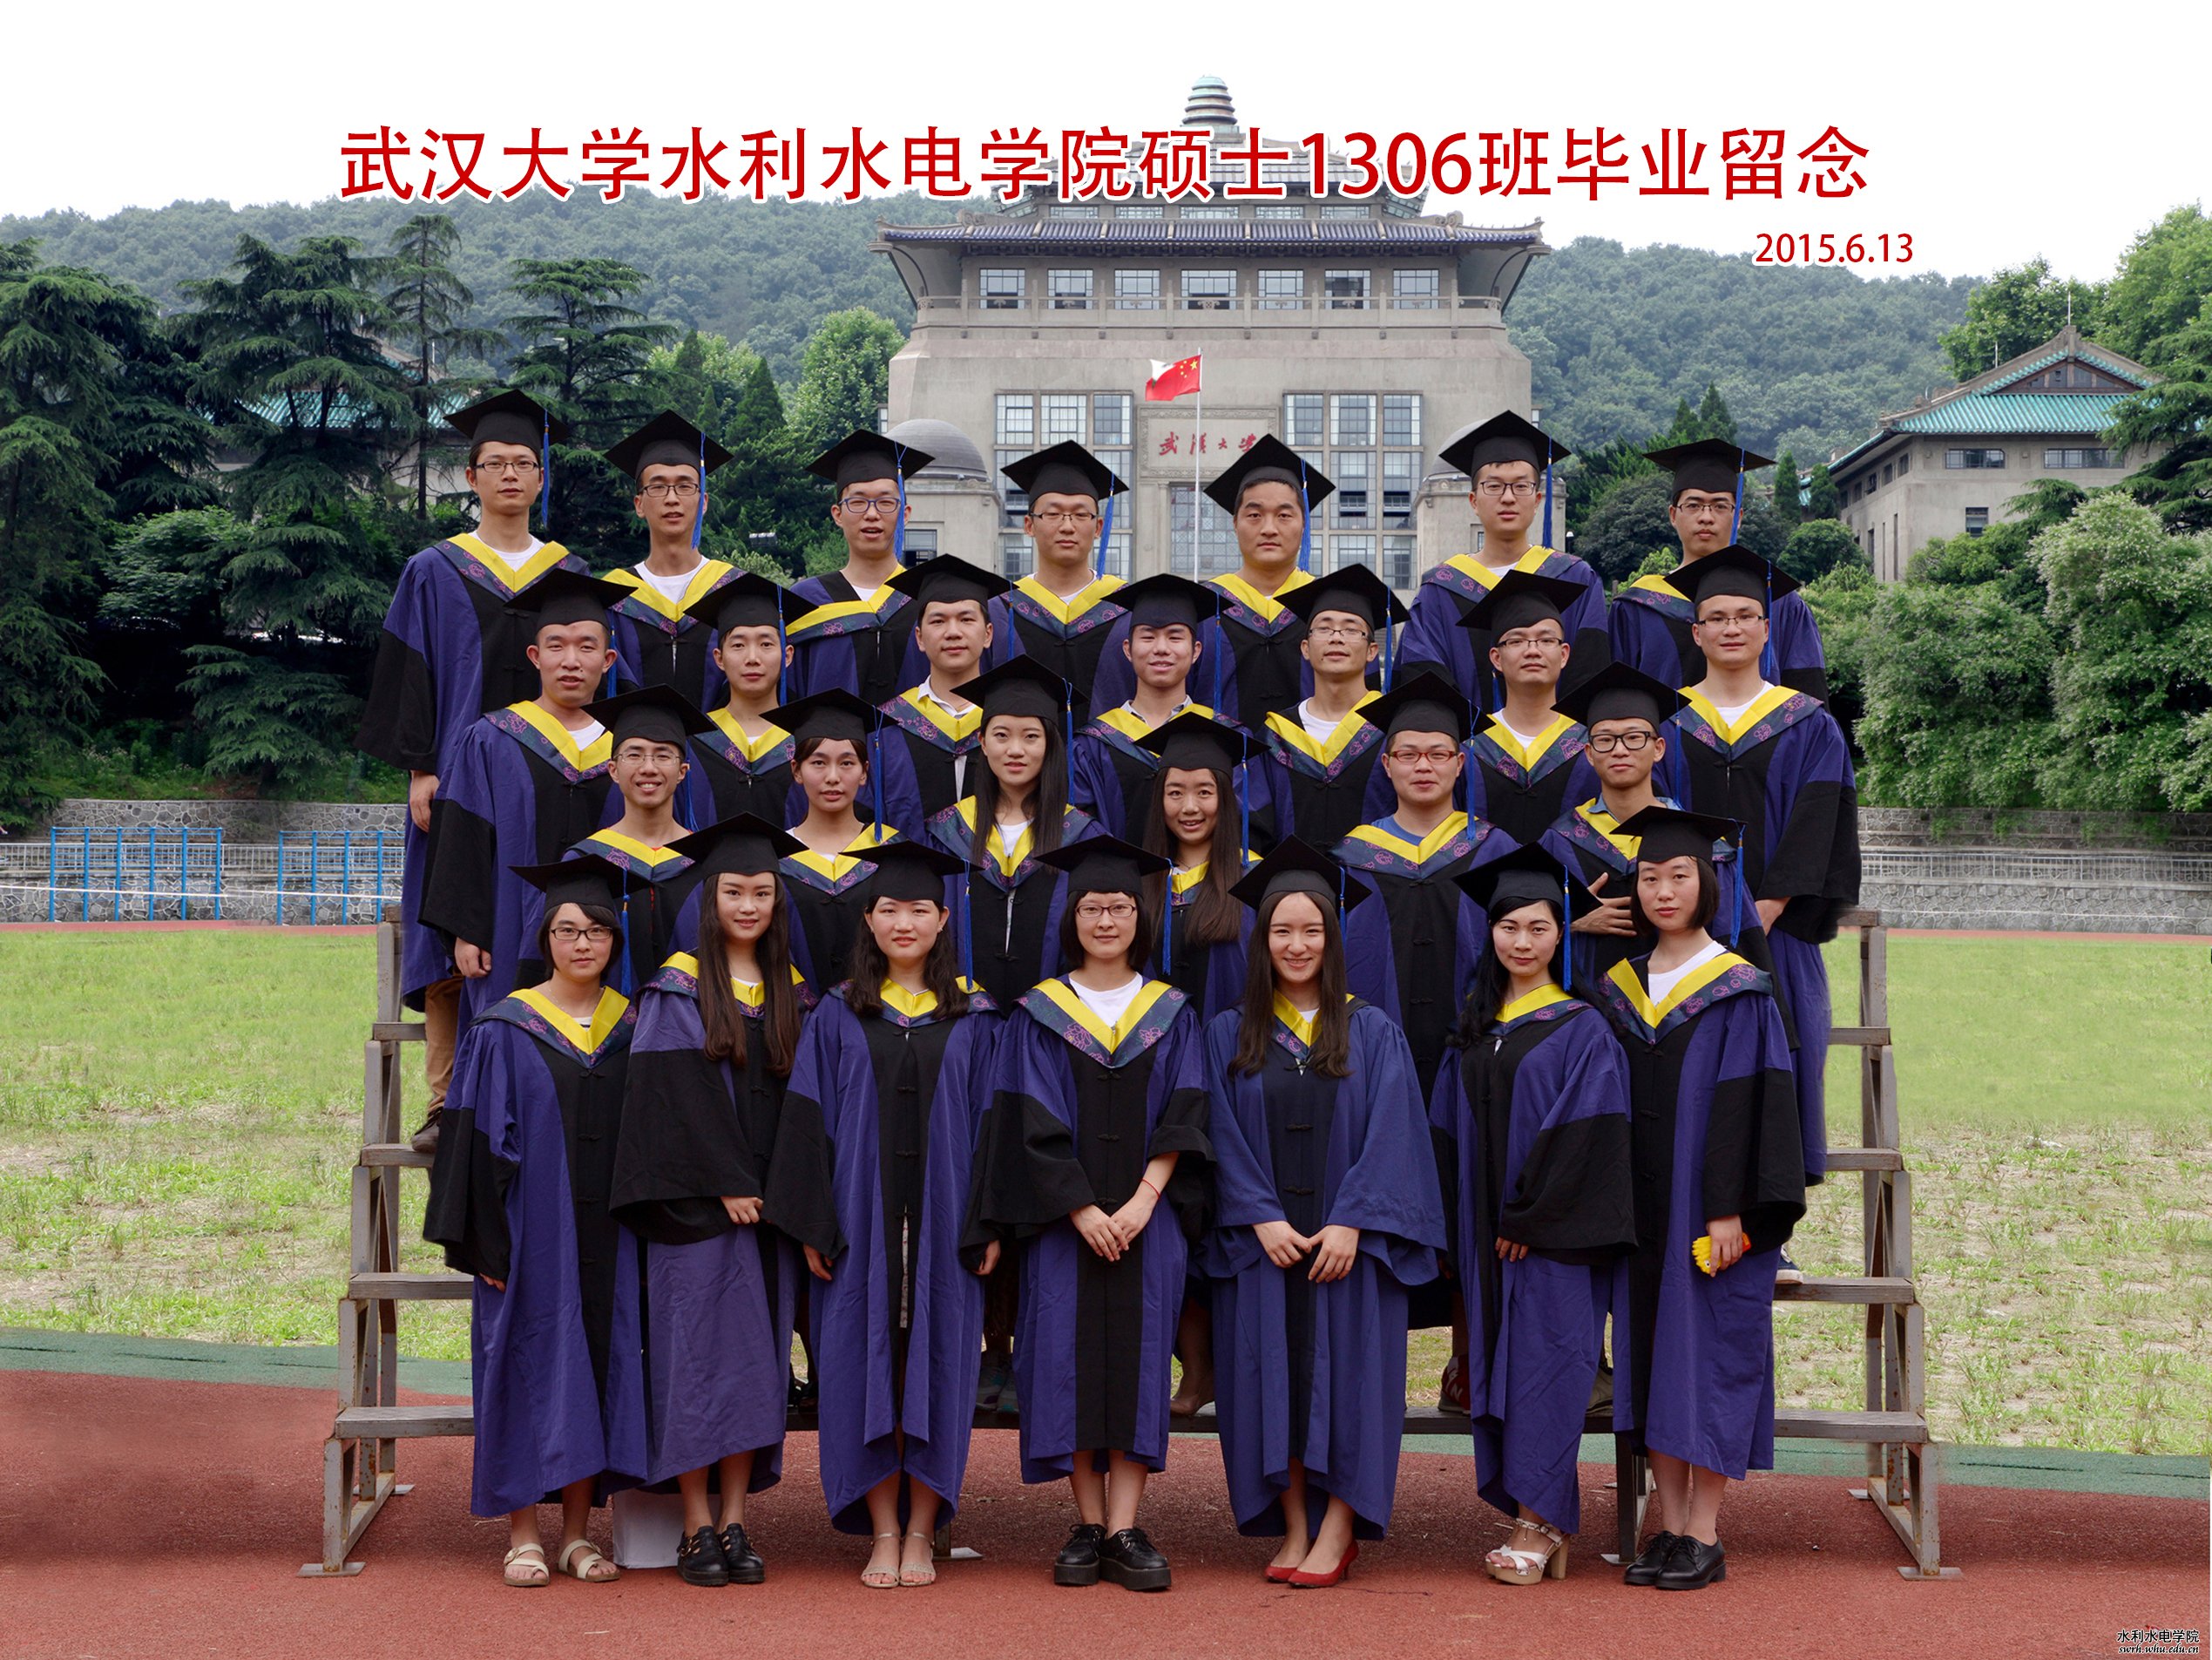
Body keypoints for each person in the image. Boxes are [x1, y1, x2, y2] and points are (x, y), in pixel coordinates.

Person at [1201, 839, 1444, 1588]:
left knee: (1351, 1380)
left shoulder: (1371, 1030)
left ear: (1333, 939)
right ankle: (1295, 1524)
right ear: (1261, 939)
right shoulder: (1228, 1033)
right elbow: (1215, 1133)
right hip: (1264, 1247)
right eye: (1281, 930)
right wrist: (1259, 1216)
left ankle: (1339, 1526)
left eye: (1311, 930)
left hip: (1350, 1249)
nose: (1297, 944)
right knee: (1268, 1380)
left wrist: (1353, 1220)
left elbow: (1396, 1131)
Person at [971, 838, 1210, 1592]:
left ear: (1139, 918)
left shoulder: (1171, 1011)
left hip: (1149, 1220)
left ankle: (1124, 1527)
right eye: (1091, 907)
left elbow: (1186, 1109)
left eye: (1119, 907)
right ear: (1071, 919)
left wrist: (1142, 1200)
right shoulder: (1039, 1013)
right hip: (1061, 1223)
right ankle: (1085, 1521)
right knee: (1063, 1362)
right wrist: (1080, 1206)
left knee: (1139, 1362)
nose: (1105, 919)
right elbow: (1028, 1119)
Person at [764, 842, 1002, 1589]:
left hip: (947, 1226)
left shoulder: (976, 1013)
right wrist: (813, 1222)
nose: (904, 922)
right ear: (867, 919)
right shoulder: (836, 1013)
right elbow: (806, 1121)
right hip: (857, 1225)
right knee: (856, 1367)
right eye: (890, 909)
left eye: (919, 910)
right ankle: (883, 1529)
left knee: (939, 1365)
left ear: (943, 920)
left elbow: (994, 1127)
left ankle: (923, 1530)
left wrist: (988, 1221)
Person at [357, 389, 585, 1151]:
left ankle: (546, 1090)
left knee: (552, 927)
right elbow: (411, 672)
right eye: (495, 463)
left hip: (557, 779)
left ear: (541, 476)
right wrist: (419, 769)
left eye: (523, 462)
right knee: (452, 928)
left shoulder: (570, 573)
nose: (510, 474)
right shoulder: (433, 569)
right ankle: (448, 1102)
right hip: (457, 782)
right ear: (472, 475)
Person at [1590, 806, 1805, 1592]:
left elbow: (1756, 1109)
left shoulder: (1739, 987)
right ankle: (1668, 1523)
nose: (1662, 890)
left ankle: (1703, 1532)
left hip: (1708, 1214)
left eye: (1678, 875)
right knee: (1651, 1357)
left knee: (1707, 1357)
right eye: (1648, 876)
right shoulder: (1617, 987)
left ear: (1708, 883)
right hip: (1638, 1211)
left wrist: (1731, 1209)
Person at [422, 854, 639, 1589]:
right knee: (523, 1366)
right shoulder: (504, 1027)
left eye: (596, 931)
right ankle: (523, 1534)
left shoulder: (633, 1025)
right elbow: (472, 1142)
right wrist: (486, 1240)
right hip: (529, 1233)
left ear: (614, 940)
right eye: (567, 929)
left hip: (611, 1235)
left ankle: (576, 1534)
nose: (582, 943)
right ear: (545, 938)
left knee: (594, 1369)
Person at [607, 816, 812, 1588]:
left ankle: (735, 1520)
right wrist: (726, 1179)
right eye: (733, 891)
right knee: (694, 1366)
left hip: (769, 1212)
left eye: (761, 891)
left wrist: (779, 1189)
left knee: (755, 1371)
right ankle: (694, 1525)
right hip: (694, 1210)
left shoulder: (794, 990)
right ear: (708, 898)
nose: (748, 904)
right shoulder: (676, 988)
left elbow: (808, 1103)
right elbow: (669, 1098)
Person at [1427, 844, 1635, 1586]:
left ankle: (1541, 1521)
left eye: (1538, 927)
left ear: (1560, 934)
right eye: (1509, 926)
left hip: (1549, 1241)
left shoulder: (1582, 1027)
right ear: (1490, 932)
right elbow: (1445, 1130)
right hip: (1486, 1240)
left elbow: (1588, 1137)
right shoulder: (1475, 1025)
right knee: (1503, 1372)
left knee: (1548, 1368)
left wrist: (1528, 1217)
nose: (1521, 941)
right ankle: (1530, 1508)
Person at [1654, 548, 1859, 1189]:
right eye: (1716, 617)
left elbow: (1820, 819)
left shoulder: (1809, 723)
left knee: (1783, 1064)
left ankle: (1771, 1215)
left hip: (1780, 933)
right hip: (1683, 934)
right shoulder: (1666, 723)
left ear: (1767, 629)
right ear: (1696, 633)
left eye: (1745, 615)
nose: (1732, 628)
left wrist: (1765, 907)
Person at [422, 569, 626, 1029]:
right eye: (556, 646)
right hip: (507, 931)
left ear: (608, 659)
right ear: (535, 657)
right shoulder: (491, 739)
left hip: (607, 936)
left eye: (586, 647)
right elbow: (462, 839)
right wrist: (465, 931)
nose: (570, 661)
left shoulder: (628, 748)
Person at [1336, 671, 1517, 1101]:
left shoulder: (1495, 850)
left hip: (1476, 1045)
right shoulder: (1352, 858)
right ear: (1387, 764)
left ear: (1460, 763)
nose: (1423, 766)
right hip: (1373, 1051)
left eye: (1438, 754)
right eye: (1408, 754)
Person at [1092, 437, 1335, 727]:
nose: (1269, 528)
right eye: (1254, 515)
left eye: (1284, 515)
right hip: (1211, 755)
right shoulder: (1204, 608)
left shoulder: (1330, 608)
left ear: (1304, 523)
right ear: (1235, 523)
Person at [923, 658, 1099, 1012]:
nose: (1015, 750)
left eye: (1031, 737)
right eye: (1001, 735)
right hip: (960, 1015)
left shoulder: (1082, 836)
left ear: (1050, 745)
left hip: (1054, 1016)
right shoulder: (947, 832)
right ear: (982, 742)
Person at [1397, 411, 1607, 694]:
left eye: (1521, 486)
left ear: (1537, 500)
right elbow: (1422, 684)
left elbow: (1592, 673)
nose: (1508, 498)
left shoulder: (1576, 578)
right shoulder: (1439, 591)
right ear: (1473, 500)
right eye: (1494, 486)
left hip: (1559, 724)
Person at [1069, 572, 1283, 844]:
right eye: (1148, 637)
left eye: (1175, 637)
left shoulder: (1228, 738)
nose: (1161, 648)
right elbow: (1080, 831)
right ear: (1127, 649)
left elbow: (1249, 830)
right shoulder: (1092, 745)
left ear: (1196, 651)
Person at [1609, 441, 1828, 700]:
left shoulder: (1778, 601)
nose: (1706, 517)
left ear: (1739, 517)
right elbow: (1618, 700)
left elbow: (1808, 696)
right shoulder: (1638, 607)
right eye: (1693, 505)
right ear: (1673, 515)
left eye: (1720, 506)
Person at [1538, 662, 1688, 986]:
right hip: (1585, 1006)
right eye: (1605, 740)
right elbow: (1522, 931)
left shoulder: (1695, 841)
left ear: (1658, 749)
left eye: (1634, 738)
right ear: (1590, 754)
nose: (1620, 750)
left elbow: (1729, 938)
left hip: (1678, 1003)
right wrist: (1571, 920)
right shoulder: (1560, 841)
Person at [568, 685, 714, 996]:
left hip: (695, 1020)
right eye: (634, 755)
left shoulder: (706, 861)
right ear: (613, 770)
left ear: (683, 771)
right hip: (606, 1021)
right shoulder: (585, 861)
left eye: (663, 755)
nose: (648, 768)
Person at [768, 688, 917, 989]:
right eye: (818, 763)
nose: (833, 777)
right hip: (790, 1008)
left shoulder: (892, 851)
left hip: (874, 1007)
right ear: (796, 771)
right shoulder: (775, 855)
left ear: (864, 772)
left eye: (847, 763)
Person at [785, 430, 937, 706]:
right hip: (827, 735)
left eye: (885, 502)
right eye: (857, 502)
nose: (872, 514)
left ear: (905, 514)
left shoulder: (929, 599)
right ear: (837, 514)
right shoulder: (805, 601)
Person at [1260, 565, 1405, 851]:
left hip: (1376, 877)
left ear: (1372, 652)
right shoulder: (1275, 735)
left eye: (1351, 630)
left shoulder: (1394, 727)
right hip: (1290, 879)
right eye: (1324, 628)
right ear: (1305, 648)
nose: (1336, 637)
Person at [600, 411, 741, 708]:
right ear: (639, 504)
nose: (672, 498)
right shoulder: (613, 596)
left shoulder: (733, 590)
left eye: (685, 486)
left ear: (703, 502)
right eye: (658, 486)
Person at [1454, 571, 1599, 847]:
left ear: (1564, 654)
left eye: (1546, 640)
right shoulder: (1471, 744)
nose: (1533, 651)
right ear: (1496, 658)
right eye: (1517, 641)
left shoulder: (1590, 744)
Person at [878, 555, 1007, 824]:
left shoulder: (1010, 718)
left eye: (966, 619)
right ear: (919, 638)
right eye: (938, 621)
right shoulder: (889, 726)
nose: (953, 632)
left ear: (988, 634)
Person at [998, 441, 1132, 688]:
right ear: (1029, 525)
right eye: (1052, 514)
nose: (1067, 526)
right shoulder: (1002, 608)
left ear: (1098, 528)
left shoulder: (1126, 606)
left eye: (1081, 515)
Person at [682, 573, 799, 824]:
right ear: (719, 658)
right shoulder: (695, 740)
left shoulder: (805, 740)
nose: (752, 658)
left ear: (787, 656)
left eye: (766, 644)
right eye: (738, 645)